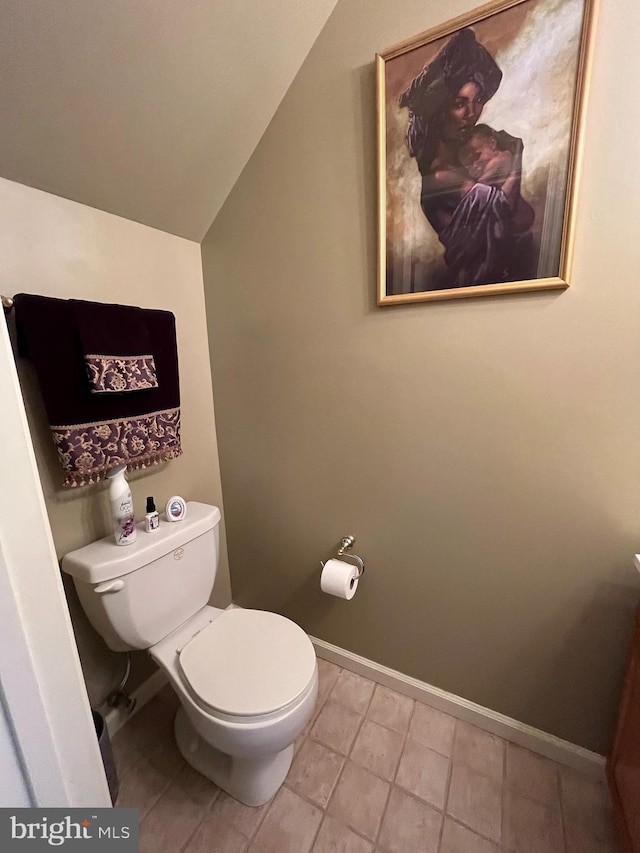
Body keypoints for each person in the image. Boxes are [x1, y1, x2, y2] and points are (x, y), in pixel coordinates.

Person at [399, 28, 535, 288]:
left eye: (478, 100)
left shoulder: (471, 156)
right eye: (459, 104)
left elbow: (523, 217)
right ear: (440, 111)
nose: (471, 113)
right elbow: (506, 209)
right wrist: (515, 158)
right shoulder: (441, 175)